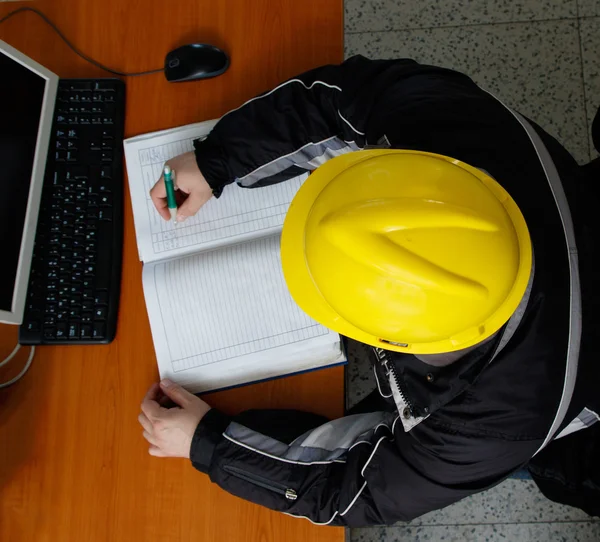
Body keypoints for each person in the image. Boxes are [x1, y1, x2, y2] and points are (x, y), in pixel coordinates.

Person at [137, 56, 600, 525]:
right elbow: (343, 98)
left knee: (560, 469)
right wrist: (215, 160)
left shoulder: (491, 428)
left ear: (404, 344)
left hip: (576, 401)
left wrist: (209, 444)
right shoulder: (457, 122)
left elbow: (354, 488)